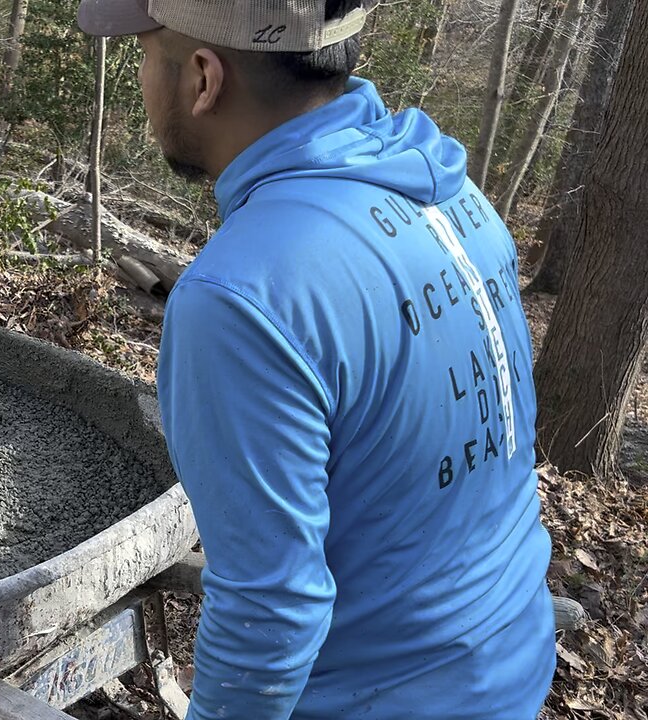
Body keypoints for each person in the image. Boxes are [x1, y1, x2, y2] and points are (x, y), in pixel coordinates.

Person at [77, 0, 555, 717]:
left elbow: (271, 613)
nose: (143, 75)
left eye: (146, 52)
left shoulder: (241, 296)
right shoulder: (456, 198)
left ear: (203, 80)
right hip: (512, 659)